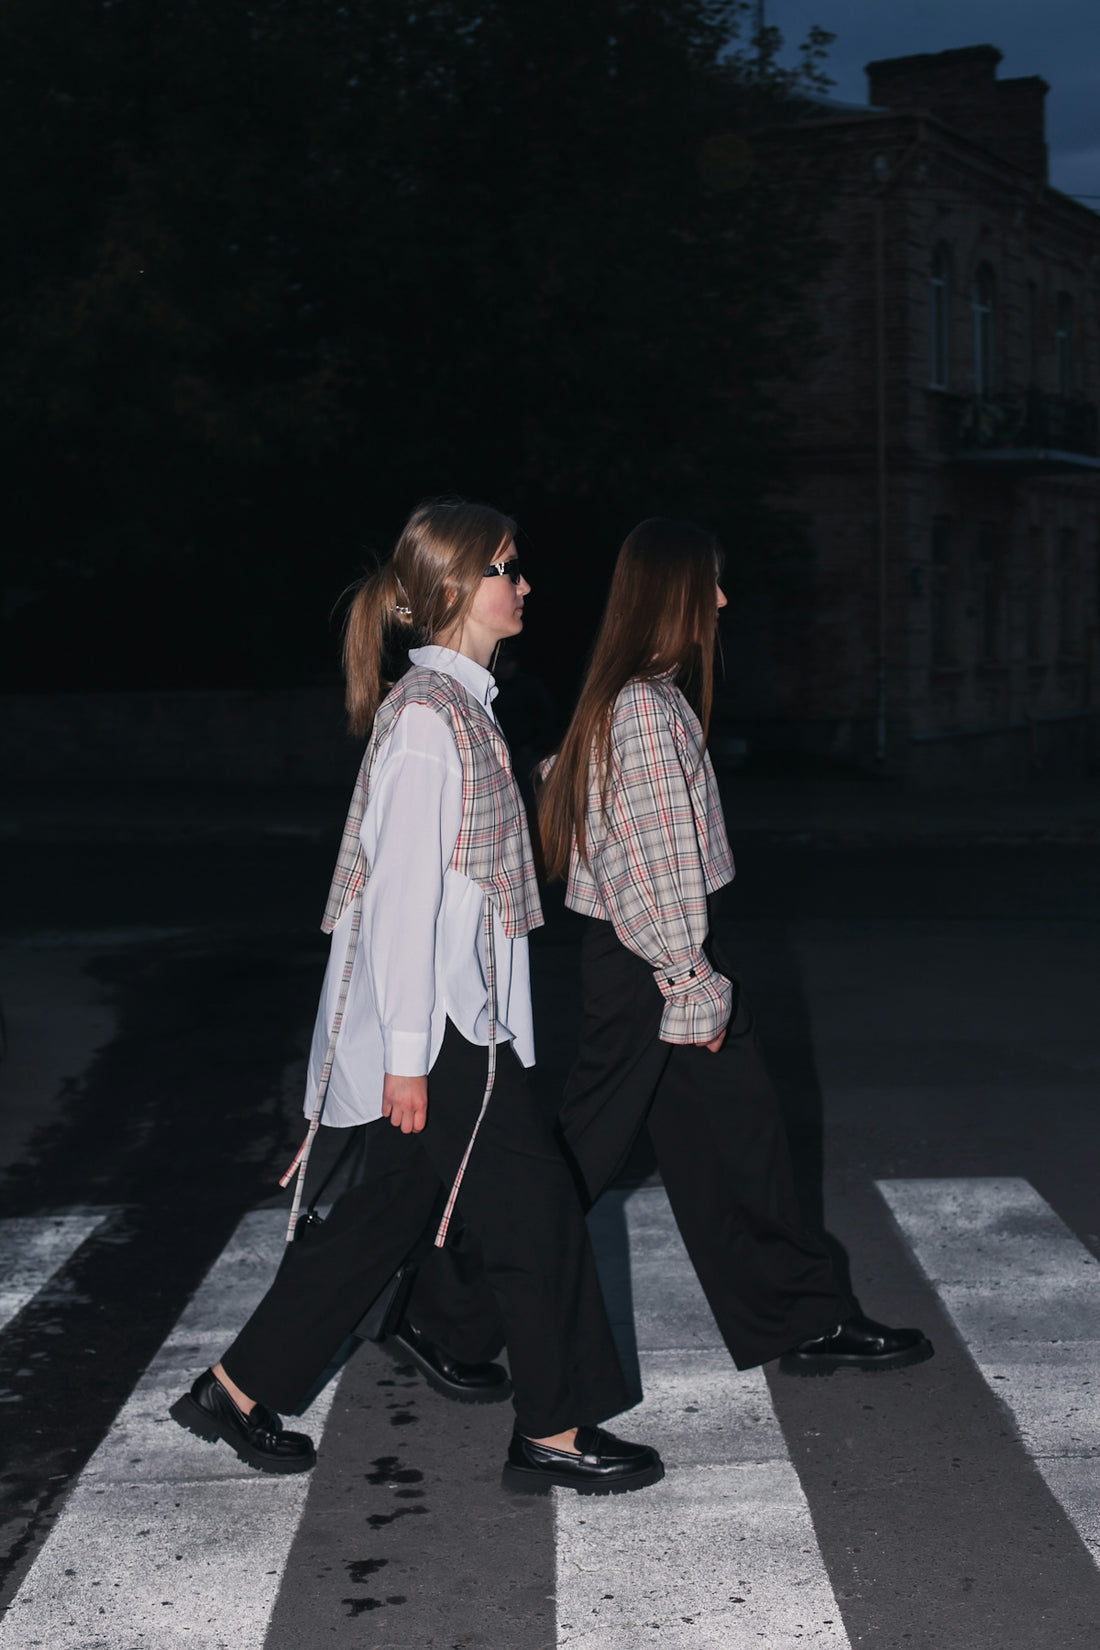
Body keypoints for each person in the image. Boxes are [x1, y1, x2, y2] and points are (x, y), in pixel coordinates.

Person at [170, 499, 663, 1496]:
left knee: (382, 1219)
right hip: (437, 1033)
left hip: (452, 1022)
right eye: (505, 570)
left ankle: (236, 1389)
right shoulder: (428, 726)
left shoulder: (461, 711)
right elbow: (397, 902)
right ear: (452, 589)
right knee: (537, 1221)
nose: (523, 586)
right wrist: (404, 1054)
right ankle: (555, 1430)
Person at [413, 517, 933, 1380]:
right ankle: (449, 1307)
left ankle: (798, 1315)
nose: (723, 602)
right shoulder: (645, 710)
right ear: (673, 596)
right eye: (711, 585)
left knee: (739, 1141)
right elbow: (649, 866)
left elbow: (592, 816)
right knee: (584, 1153)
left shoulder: (627, 698)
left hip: (650, 958)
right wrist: (692, 980)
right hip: (654, 963)